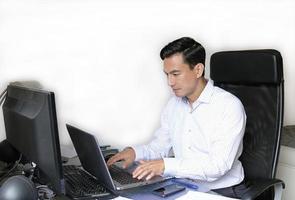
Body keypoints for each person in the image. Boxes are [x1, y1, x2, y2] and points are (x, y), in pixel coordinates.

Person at [107, 37, 247, 198]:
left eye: (175, 74)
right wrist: (134, 153)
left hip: (221, 190)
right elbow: (160, 147)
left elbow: (218, 166)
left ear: (198, 70)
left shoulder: (229, 106)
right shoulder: (174, 104)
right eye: (167, 75)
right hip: (182, 185)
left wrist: (165, 165)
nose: (170, 82)